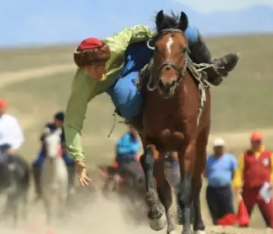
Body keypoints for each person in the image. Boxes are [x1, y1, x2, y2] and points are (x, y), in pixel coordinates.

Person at [64, 19, 240, 186]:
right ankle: (150, 133)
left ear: (105, 57)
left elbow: (133, 32)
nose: (93, 72)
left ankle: (211, 69)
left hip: (133, 56)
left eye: (97, 66)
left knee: (188, 33)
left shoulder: (114, 46)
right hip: (118, 80)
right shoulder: (82, 86)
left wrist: (154, 35)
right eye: (88, 68)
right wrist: (79, 158)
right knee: (126, 100)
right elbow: (72, 122)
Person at [233, 131, 273, 229]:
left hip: (264, 189)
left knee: (270, 215)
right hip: (249, 190)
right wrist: (237, 186)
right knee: (244, 215)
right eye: (255, 141)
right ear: (251, 142)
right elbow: (239, 171)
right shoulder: (245, 155)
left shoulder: (269, 154)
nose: (257, 144)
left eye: (259, 141)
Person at [32, 111, 76, 198]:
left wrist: (62, 147)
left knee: (71, 162)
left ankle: (70, 186)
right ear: (55, 120)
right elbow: (42, 139)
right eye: (59, 121)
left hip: (61, 152)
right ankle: (38, 189)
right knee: (36, 164)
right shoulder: (48, 127)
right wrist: (44, 135)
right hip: (46, 152)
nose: (61, 123)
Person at [204, 138, 238, 225]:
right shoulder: (209, 160)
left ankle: (229, 228)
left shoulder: (230, 159)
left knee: (227, 209)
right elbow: (205, 173)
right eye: (217, 147)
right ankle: (217, 226)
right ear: (214, 148)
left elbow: (234, 172)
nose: (219, 149)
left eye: (220, 147)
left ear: (223, 148)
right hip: (212, 189)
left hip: (225, 189)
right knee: (214, 209)